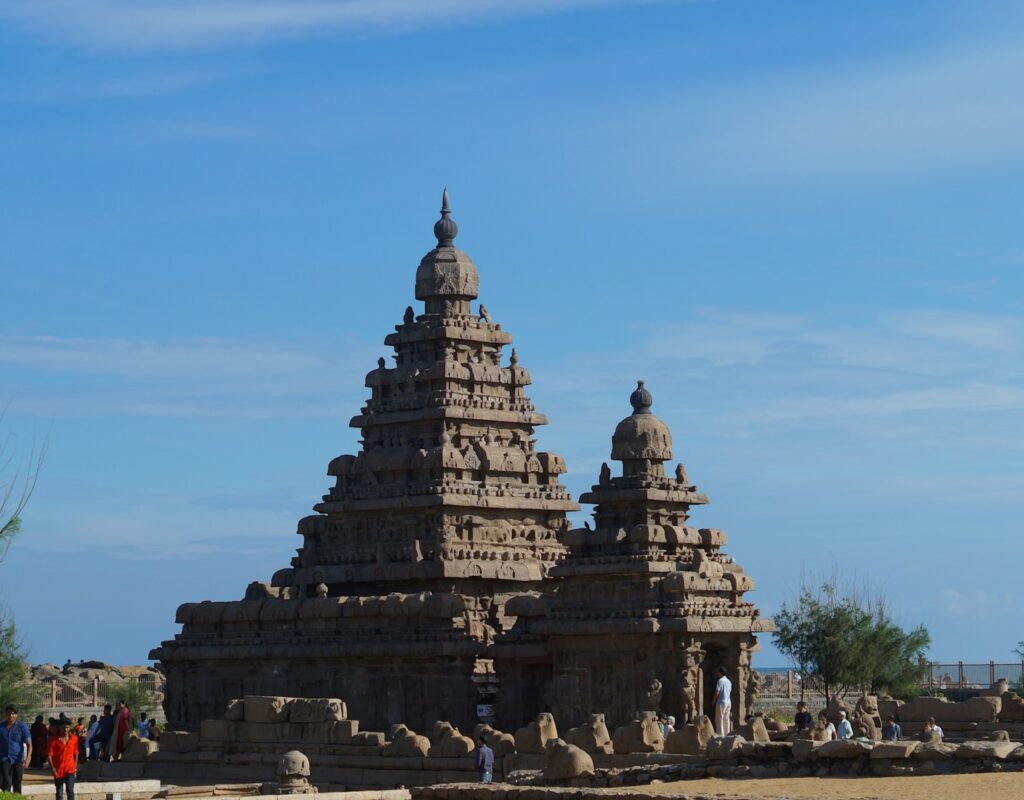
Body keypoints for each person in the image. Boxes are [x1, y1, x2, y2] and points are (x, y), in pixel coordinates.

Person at [1, 704, 32, 794]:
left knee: (17, 782)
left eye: (13, 713)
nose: (11, 715)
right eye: (9, 713)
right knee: (6, 783)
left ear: (16, 715)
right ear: (6, 714)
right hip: (4, 759)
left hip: (18, 759)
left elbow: (29, 744)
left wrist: (28, 759)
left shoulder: (22, 727)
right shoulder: (1, 727)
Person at [48, 719, 78, 800]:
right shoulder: (54, 740)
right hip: (58, 769)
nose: (65, 730)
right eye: (64, 728)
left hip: (70, 769)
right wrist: (53, 768)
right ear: (60, 728)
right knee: (59, 792)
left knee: (70, 791)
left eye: (67, 728)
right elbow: (49, 755)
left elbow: (75, 753)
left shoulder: (74, 739)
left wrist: (75, 768)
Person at [711, 666, 733, 735]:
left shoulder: (720, 681)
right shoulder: (729, 681)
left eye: (718, 672)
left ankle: (720, 735)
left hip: (721, 702)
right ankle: (727, 734)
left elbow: (717, 692)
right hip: (728, 702)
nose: (717, 674)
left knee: (719, 719)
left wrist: (713, 701)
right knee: (726, 719)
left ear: (720, 673)